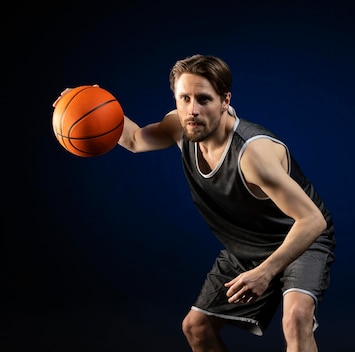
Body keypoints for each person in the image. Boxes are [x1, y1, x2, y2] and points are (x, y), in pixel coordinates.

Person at [53, 54, 336, 352]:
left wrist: (266, 272)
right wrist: (89, 104)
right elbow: (134, 139)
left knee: (296, 318)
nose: (192, 110)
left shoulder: (254, 156)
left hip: (300, 237)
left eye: (203, 99)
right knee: (196, 328)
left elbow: (312, 221)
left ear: (225, 100)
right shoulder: (180, 126)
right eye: (184, 98)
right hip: (248, 245)